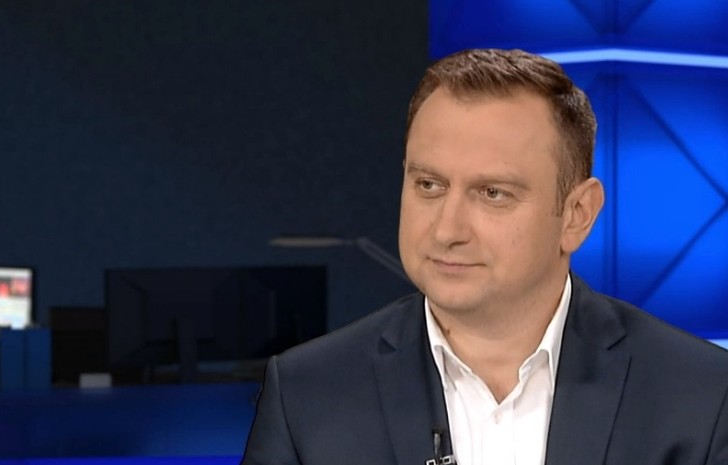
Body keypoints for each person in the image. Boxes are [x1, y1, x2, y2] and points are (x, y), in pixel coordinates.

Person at [241, 49, 728, 465]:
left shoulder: (701, 396)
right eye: (429, 185)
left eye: (493, 193)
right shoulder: (306, 395)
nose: (447, 230)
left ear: (577, 215)